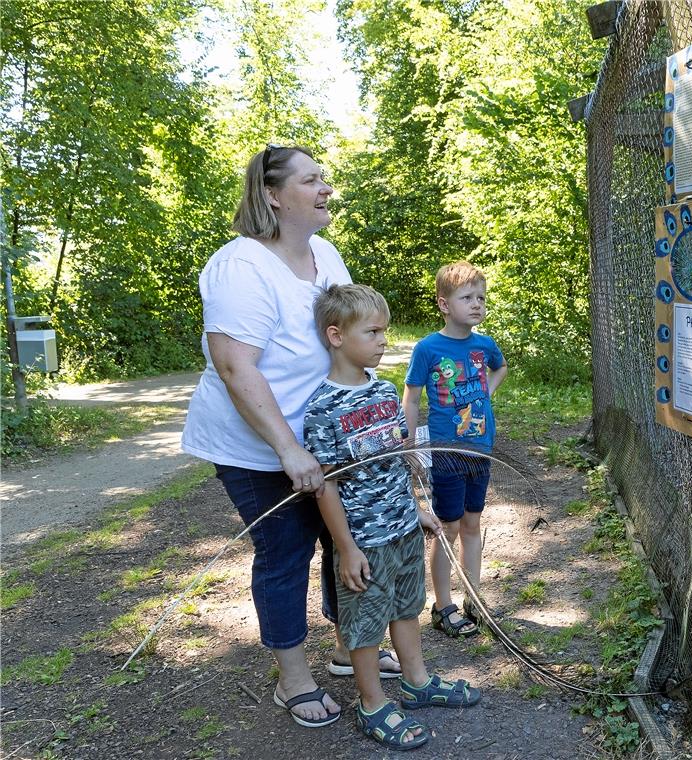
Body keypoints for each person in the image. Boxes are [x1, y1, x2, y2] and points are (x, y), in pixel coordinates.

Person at [180, 145, 398, 729]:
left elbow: (347, 336)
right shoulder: (241, 267)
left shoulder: (325, 252)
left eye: (324, 178)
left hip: (327, 434)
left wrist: (371, 416)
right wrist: (287, 448)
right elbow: (234, 365)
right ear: (273, 195)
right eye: (311, 180)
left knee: (343, 542)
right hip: (257, 445)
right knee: (285, 553)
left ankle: (345, 647)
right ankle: (293, 680)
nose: (326, 188)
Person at [304, 283, 482, 750]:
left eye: (385, 331)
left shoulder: (383, 392)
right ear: (336, 336)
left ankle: (417, 682)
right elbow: (328, 485)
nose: (385, 340)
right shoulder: (324, 408)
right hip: (365, 540)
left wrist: (417, 509)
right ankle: (372, 703)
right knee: (364, 625)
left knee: (407, 606)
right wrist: (346, 548)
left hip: (402, 529)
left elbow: (397, 459)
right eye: (374, 331)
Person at [402, 261, 508, 638]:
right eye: (467, 298)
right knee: (446, 528)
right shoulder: (429, 349)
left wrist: (486, 394)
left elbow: (500, 368)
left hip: (481, 450)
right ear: (445, 304)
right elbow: (412, 398)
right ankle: (443, 604)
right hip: (447, 452)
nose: (477, 304)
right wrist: (408, 441)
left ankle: (474, 597)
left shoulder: (484, 345)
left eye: (481, 297)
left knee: (472, 523)